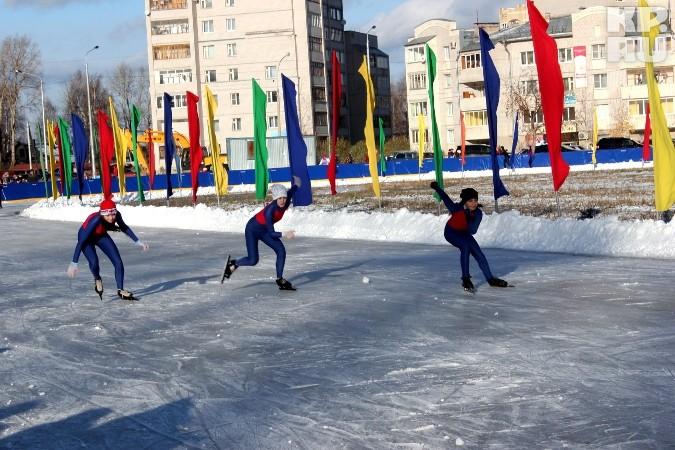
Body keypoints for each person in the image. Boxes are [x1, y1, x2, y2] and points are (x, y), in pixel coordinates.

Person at [429, 182, 508, 293]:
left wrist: (471, 218)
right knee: (465, 247)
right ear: (465, 202)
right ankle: (465, 279)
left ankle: (490, 279)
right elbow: (445, 197)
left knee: (479, 253)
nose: (473, 203)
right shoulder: (457, 208)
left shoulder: (478, 213)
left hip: (465, 233)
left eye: (475, 200)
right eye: (470, 201)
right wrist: (436, 187)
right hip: (451, 232)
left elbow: (472, 231)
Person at [222, 181, 299, 290]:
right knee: (253, 260)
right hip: (252, 229)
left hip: (264, 230)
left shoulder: (286, 201)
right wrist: (285, 233)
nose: (282, 201)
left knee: (281, 250)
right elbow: (272, 234)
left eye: (284, 198)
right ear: (275, 198)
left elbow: (292, 190)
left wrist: (298, 183)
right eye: (279, 198)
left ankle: (280, 279)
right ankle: (233, 264)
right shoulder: (270, 210)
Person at [67, 199, 149, 300]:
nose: (111, 218)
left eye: (113, 214)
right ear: (102, 214)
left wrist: (138, 242)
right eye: (108, 215)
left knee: (118, 262)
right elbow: (81, 243)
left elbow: (124, 227)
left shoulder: (117, 215)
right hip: (86, 239)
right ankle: (97, 278)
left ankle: (121, 290)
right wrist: (74, 263)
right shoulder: (95, 220)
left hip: (101, 236)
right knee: (94, 262)